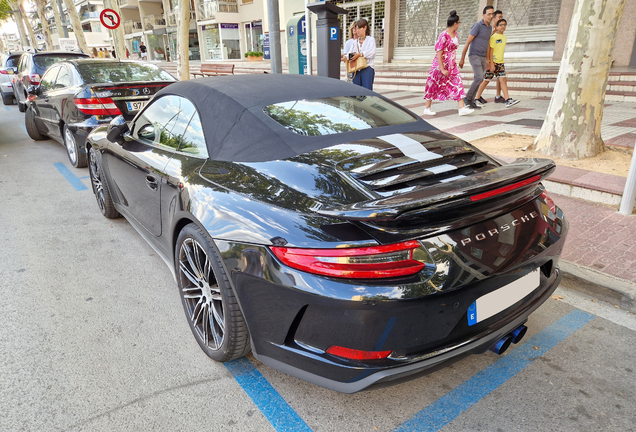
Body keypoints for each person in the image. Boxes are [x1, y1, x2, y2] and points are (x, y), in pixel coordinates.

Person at [422, 11, 474, 116]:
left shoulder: (455, 34)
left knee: (458, 82)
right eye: (458, 23)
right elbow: (439, 53)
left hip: (451, 65)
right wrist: (442, 68)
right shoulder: (443, 35)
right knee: (433, 84)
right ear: (455, 23)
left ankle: (462, 108)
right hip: (440, 65)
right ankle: (427, 108)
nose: (459, 25)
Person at [474, 19, 519, 108]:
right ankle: (476, 98)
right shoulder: (494, 37)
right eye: (501, 25)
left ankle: (508, 100)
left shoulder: (504, 37)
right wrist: (491, 63)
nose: (503, 26)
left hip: (500, 63)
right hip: (493, 63)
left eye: (504, 25)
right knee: (486, 81)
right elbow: (490, 51)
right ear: (497, 27)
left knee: (503, 80)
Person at [459, 5, 494, 110]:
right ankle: (467, 98)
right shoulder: (477, 26)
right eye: (489, 14)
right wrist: (462, 58)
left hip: (483, 57)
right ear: (483, 15)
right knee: (479, 77)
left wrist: (488, 60)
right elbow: (468, 42)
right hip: (474, 55)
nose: (491, 16)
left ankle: (471, 101)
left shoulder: (490, 28)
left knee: (478, 79)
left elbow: (488, 44)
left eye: (492, 14)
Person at [346, 19, 376, 90]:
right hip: (356, 69)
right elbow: (348, 54)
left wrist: (360, 54)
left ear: (365, 28)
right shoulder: (355, 42)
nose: (357, 31)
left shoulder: (370, 40)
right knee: (357, 91)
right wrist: (351, 56)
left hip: (367, 67)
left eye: (359, 28)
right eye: (356, 29)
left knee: (367, 91)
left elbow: (372, 52)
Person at [491, 10, 504, 104]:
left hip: (498, 59)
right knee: (484, 79)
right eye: (499, 17)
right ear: (494, 18)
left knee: (500, 78)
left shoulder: (499, 31)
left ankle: (498, 96)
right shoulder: (490, 30)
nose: (501, 19)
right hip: (489, 58)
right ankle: (477, 96)